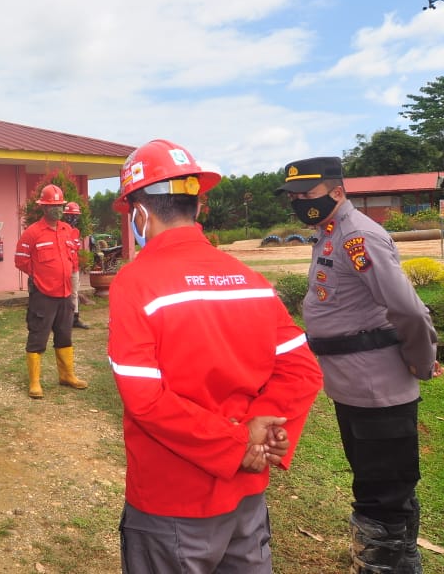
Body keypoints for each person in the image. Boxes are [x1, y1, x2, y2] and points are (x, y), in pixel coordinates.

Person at [108, 139, 322, 573]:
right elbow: (302, 371)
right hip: (246, 499)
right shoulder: (251, 280)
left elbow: (146, 400)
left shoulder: (135, 284)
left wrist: (236, 443)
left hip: (171, 502)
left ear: (140, 213)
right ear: (198, 206)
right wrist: (260, 430)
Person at [277, 156, 443, 573]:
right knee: (379, 484)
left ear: (337, 191)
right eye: (294, 196)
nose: (299, 202)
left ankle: (382, 564)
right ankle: (397, 561)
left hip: (376, 386)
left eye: (307, 194)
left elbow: (408, 311)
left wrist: (423, 362)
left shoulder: (358, 236)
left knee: (382, 491)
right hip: (353, 382)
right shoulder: (328, 232)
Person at [14, 184, 88, 399]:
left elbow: (72, 256)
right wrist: (38, 276)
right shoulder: (32, 233)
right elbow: (20, 260)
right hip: (43, 294)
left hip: (65, 293)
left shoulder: (67, 230)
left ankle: (67, 375)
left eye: (60, 206)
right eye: (53, 206)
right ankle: (35, 382)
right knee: (38, 335)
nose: (58, 210)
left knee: (65, 334)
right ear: (44, 208)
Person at [61, 201, 91, 329]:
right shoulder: (60, 230)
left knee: (74, 293)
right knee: (62, 293)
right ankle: (61, 320)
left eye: (75, 216)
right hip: (62, 268)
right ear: (65, 216)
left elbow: (75, 249)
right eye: (70, 216)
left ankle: (75, 319)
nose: (73, 219)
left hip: (74, 267)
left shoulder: (76, 232)